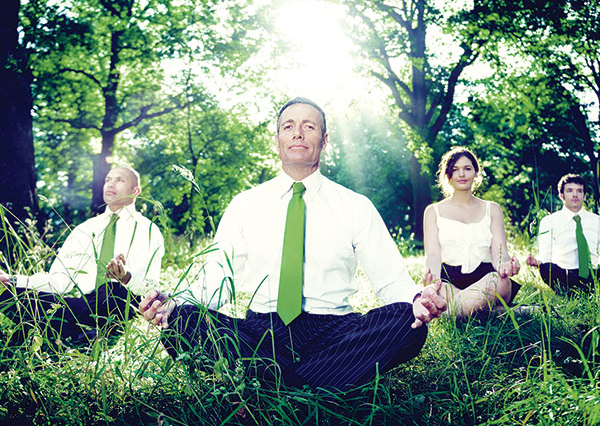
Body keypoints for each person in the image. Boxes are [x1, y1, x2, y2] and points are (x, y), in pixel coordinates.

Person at [139, 97, 447, 392]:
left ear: (324, 141)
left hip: (334, 332)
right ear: (277, 140)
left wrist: (418, 300)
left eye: (309, 126)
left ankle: (274, 380)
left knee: (407, 322)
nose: (297, 132)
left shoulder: (355, 206)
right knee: (182, 322)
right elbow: (216, 278)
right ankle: (316, 379)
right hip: (260, 333)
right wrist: (174, 304)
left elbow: (390, 278)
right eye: (288, 126)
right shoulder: (244, 204)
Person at [0, 166, 165, 345]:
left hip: (120, 305)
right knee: (8, 294)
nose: (110, 184)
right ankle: (79, 337)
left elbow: (150, 285)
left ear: (135, 191)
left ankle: (66, 334)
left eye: (120, 180)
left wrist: (125, 277)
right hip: (82, 305)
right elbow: (59, 281)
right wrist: (13, 280)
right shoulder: (85, 229)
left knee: (113, 291)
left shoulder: (147, 229)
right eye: (108, 180)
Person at [423, 147, 520, 317]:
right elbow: (433, 255)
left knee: (502, 282)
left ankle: (450, 314)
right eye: (455, 169)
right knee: (439, 292)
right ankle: (504, 312)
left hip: (488, 279)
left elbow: (500, 253)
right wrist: (433, 282)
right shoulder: (433, 211)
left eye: (467, 168)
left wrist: (506, 266)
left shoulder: (493, 209)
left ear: (476, 173)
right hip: (449, 281)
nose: (462, 174)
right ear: (448, 175)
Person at [526, 173, 600, 295]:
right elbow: (545, 256)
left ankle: (583, 290)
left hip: (594, 275)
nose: (575, 194)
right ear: (562, 195)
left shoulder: (598, 221)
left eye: (579, 191)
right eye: (569, 191)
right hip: (565, 274)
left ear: (584, 196)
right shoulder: (549, 221)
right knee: (548, 269)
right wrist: (537, 262)